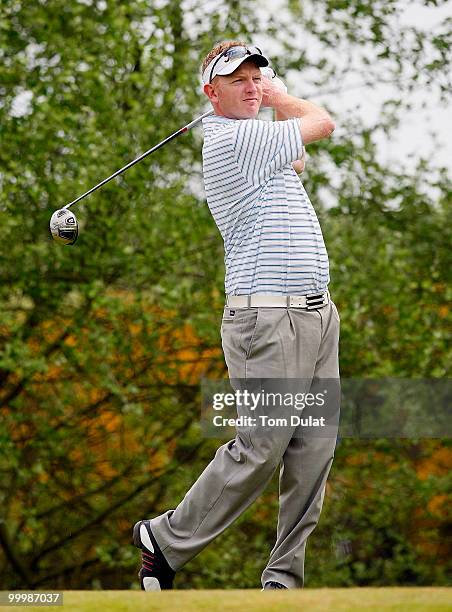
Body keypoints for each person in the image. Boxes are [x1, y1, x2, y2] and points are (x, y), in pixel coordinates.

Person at [133, 40, 340, 591]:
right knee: (263, 446)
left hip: (318, 315)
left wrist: (271, 104)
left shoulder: (259, 142)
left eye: (258, 77)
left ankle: (283, 581)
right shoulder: (232, 139)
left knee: (314, 449)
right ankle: (167, 538)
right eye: (237, 80)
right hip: (268, 320)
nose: (252, 86)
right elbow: (322, 124)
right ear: (211, 94)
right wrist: (280, 97)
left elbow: (295, 155)